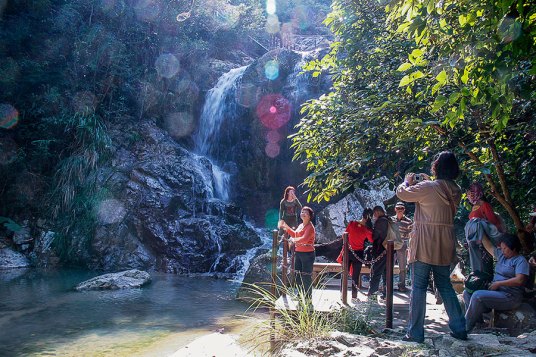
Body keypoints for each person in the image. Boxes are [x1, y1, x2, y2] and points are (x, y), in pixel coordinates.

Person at [396, 151, 467, 343]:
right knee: (445, 285)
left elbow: (401, 194)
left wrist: (407, 182)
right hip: (445, 242)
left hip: (424, 242)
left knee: (418, 286)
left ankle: (415, 333)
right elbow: (437, 191)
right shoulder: (456, 189)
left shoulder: (428, 187)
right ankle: (460, 328)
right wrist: (426, 182)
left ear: (436, 166)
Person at [464, 233, 529, 332]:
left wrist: (499, 284)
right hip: (496, 292)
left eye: (505, 248)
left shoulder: (520, 261)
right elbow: (489, 246)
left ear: (514, 248)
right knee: (467, 293)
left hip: (510, 296)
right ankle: (478, 324)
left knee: (477, 295)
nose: (502, 251)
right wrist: (479, 228)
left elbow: (519, 280)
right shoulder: (502, 256)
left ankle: (464, 327)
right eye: (501, 248)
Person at [465, 182, 504, 276]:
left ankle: (486, 286)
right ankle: (479, 286)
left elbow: (493, 222)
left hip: (485, 241)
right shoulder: (473, 207)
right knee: (478, 268)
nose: (469, 195)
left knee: (486, 267)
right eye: (468, 193)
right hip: (476, 243)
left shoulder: (485, 205)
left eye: (472, 193)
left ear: (478, 193)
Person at [278, 206, 316, 298]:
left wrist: (293, 240)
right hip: (298, 253)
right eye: (302, 212)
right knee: (297, 275)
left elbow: (304, 239)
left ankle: (307, 297)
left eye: (305, 212)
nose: (302, 213)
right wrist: (285, 227)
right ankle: (300, 294)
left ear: (310, 216)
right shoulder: (301, 225)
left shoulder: (310, 227)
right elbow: (295, 234)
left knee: (306, 276)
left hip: (307, 254)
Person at [342, 208, 373, 298]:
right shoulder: (355, 225)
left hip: (353, 252)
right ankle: (351, 296)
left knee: (349, 274)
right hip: (353, 252)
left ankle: (348, 295)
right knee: (349, 274)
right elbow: (371, 240)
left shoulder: (353, 224)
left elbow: (345, 234)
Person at [367, 206, 390, 299]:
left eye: (375, 213)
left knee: (376, 273)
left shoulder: (381, 221)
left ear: (378, 212)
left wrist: (370, 228)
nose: (374, 215)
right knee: (386, 274)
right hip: (388, 250)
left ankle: (372, 295)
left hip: (380, 251)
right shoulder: (388, 220)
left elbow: (375, 236)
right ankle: (386, 294)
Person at [391, 202, 412, 292]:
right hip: (391, 247)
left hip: (402, 246)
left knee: (402, 268)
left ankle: (401, 285)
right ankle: (388, 285)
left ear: (404, 210)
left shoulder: (408, 221)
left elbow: (411, 234)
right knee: (388, 267)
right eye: (398, 208)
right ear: (395, 209)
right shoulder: (391, 220)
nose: (400, 210)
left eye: (401, 208)